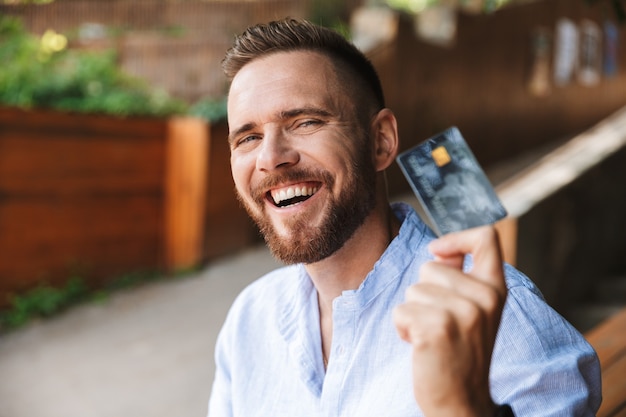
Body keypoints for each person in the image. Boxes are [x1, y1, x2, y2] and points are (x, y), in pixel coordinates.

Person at [207, 18, 601, 417]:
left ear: (381, 141)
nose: (271, 157)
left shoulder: (501, 320)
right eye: (248, 138)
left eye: (306, 122)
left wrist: (466, 408)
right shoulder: (249, 320)